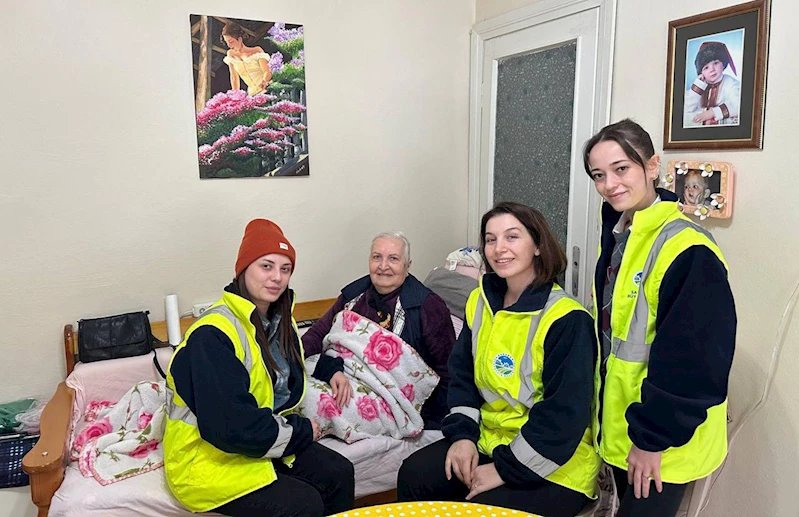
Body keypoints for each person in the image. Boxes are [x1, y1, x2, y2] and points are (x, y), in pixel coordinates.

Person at [396, 203, 601, 517]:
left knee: (478, 511)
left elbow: (563, 416)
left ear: (537, 245)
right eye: (491, 239)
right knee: (416, 474)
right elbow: (463, 377)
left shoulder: (567, 319)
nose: (499, 248)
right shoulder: (480, 301)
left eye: (512, 237)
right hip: (490, 439)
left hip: (555, 460)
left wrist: (505, 469)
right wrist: (463, 437)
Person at [583, 119, 736, 517]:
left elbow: (695, 359)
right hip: (623, 428)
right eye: (598, 175)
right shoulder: (621, 233)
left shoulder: (687, 248)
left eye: (621, 169)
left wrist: (651, 438)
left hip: (660, 442)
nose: (609, 184)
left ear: (652, 166)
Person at [164, 219, 354, 517]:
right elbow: (229, 426)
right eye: (266, 266)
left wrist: (330, 368)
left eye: (285, 269)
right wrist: (302, 431)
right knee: (304, 504)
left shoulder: (280, 320)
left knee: (339, 473)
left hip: (259, 438)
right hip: (209, 458)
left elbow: (294, 363)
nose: (277, 277)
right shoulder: (213, 335)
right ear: (243, 269)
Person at [302, 232, 456, 430]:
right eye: (377, 257)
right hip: (340, 374)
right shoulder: (353, 295)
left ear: (407, 265)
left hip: (392, 399)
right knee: (295, 387)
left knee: (319, 402)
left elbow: (448, 370)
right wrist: (296, 362)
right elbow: (317, 335)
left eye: (393, 258)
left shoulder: (428, 306)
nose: (383, 266)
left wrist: (429, 418)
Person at [683, 41, 741, 127]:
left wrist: (712, 113)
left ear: (723, 64)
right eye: (706, 67)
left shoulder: (730, 83)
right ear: (701, 72)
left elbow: (738, 104)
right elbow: (686, 108)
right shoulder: (699, 85)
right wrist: (697, 86)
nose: (712, 69)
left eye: (716, 63)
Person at [221, 22, 272, 96]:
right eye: (226, 42)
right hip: (252, 95)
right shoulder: (231, 54)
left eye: (231, 41)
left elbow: (267, 71)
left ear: (240, 39)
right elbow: (234, 78)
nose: (229, 45)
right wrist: (235, 95)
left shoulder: (257, 51)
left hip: (267, 90)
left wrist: (264, 82)